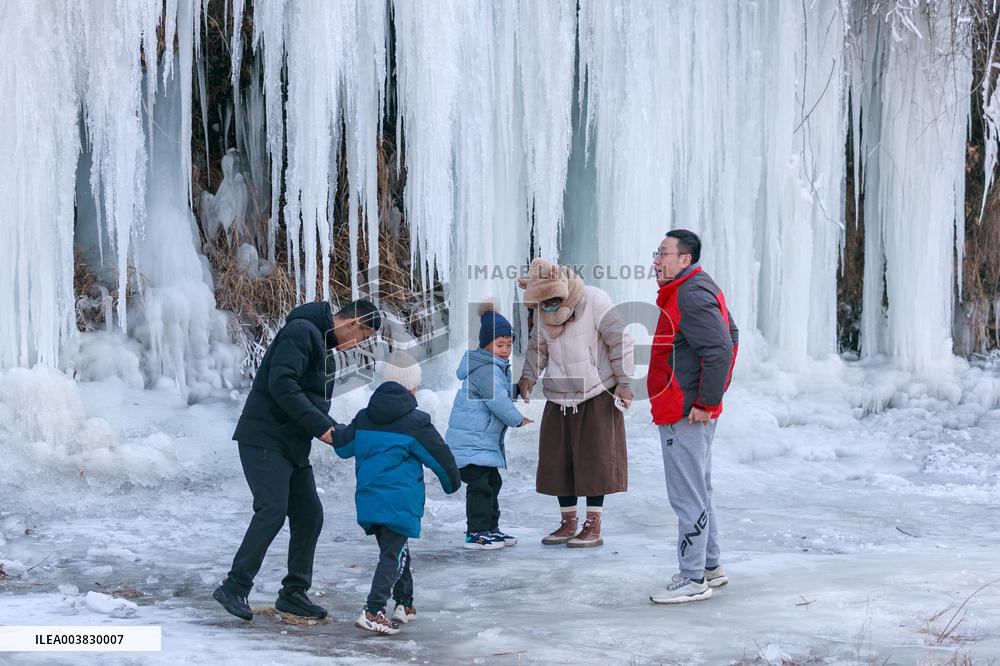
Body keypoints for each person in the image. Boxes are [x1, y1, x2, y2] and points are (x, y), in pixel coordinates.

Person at [213, 299, 381, 621]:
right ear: (352, 323)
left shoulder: (320, 343)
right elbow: (282, 385)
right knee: (272, 510)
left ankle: (293, 593)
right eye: (362, 336)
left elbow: (310, 401)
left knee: (309, 515)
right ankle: (234, 586)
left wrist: (337, 430)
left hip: (290, 445)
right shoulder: (302, 332)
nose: (358, 344)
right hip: (264, 438)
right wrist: (322, 428)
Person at [330, 351, 461, 635]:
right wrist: (452, 482)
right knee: (393, 555)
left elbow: (343, 447)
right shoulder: (415, 422)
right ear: (412, 387)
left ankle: (405, 604)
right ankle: (374, 610)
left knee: (396, 551)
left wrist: (325, 424)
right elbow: (440, 456)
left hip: (369, 500)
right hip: (400, 502)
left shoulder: (364, 417)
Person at [646, 229, 738, 604]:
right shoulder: (695, 287)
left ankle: (692, 578)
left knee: (687, 495)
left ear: (685, 259)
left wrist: (705, 402)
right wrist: (707, 401)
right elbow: (732, 333)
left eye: (664, 253)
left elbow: (720, 347)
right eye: (657, 253)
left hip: (684, 411)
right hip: (687, 407)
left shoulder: (690, 293)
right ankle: (709, 567)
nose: (656, 260)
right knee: (699, 489)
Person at [517, 258, 634, 548]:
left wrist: (625, 381)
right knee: (557, 461)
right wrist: (528, 377)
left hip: (596, 392)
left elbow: (620, 340)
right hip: (558, 394)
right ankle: (568, 522)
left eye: (550, 300)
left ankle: (593, 524)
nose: (546, 307)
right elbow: (537, 346)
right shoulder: (542, 309)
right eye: (540, 302)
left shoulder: (594, 299)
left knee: (596, 460)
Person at [445, 300, 533, 550]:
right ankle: (476, 532)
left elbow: (501, 392)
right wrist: (517, 419)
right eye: (499, 345)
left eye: (508, 345)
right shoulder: (485, 369)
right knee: (481, 486)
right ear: (485, 345)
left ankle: (490, 528)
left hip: (480, 443)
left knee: (492, 483)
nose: (505, 350)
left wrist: (517, 389)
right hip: (470, 444)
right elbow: (496, 400)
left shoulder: (494, 367)